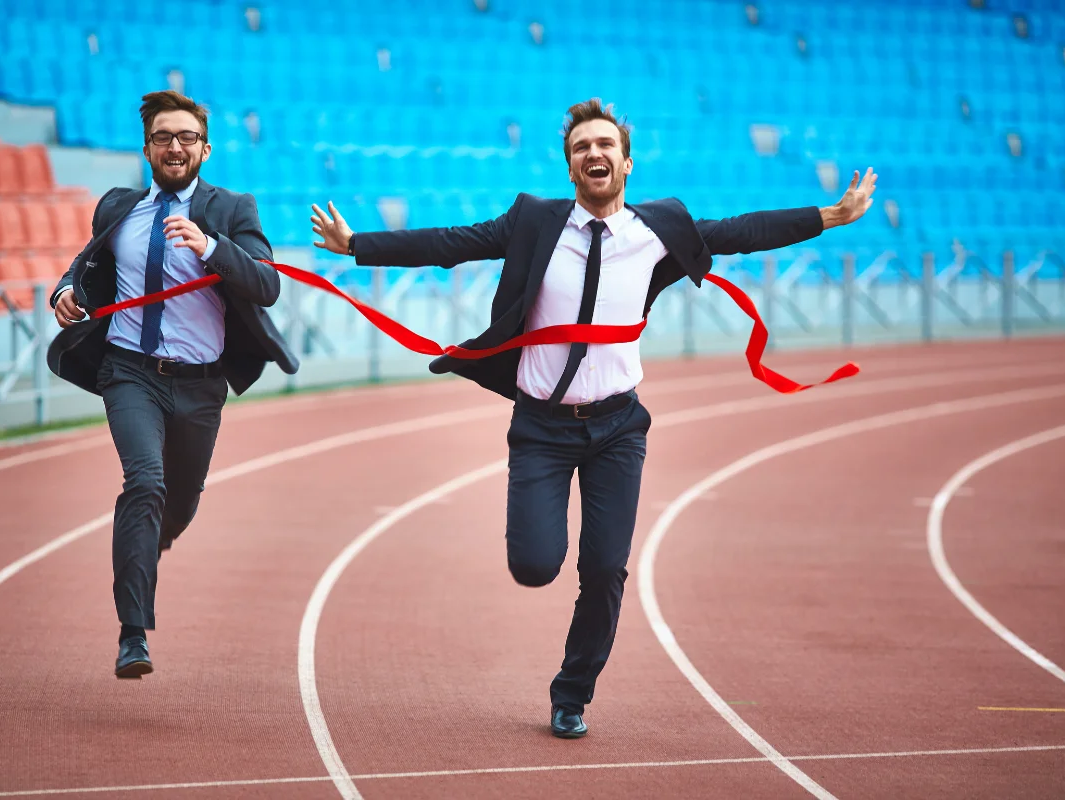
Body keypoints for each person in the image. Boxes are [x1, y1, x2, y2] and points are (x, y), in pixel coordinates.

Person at [310, 98, 875, 738]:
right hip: (542, 428)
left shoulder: (660, 229)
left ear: (627, 162)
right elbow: (450, 244)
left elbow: (739, 233)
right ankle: (550, 601)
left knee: (605, 568)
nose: (594, 154)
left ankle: (571, 695)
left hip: (617, 428)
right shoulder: (532, 222)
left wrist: (828, 216)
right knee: (535, 566)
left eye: (605, 145)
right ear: (570, 167)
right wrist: (357, 244)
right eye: (581, 148)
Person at [47, 90, 298, 679]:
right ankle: (133, 633)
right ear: (147, 148)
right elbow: (89, 268)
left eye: (187, 137)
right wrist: (68, 293)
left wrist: (210, 247)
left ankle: (147, 544)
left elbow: (266, 285)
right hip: (128, 369)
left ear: (205, 149)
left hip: (200, 384)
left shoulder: (232, 209)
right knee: (145, 483)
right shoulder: (118, 207)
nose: (175, 146)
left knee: (178, 504)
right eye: (163, 137)